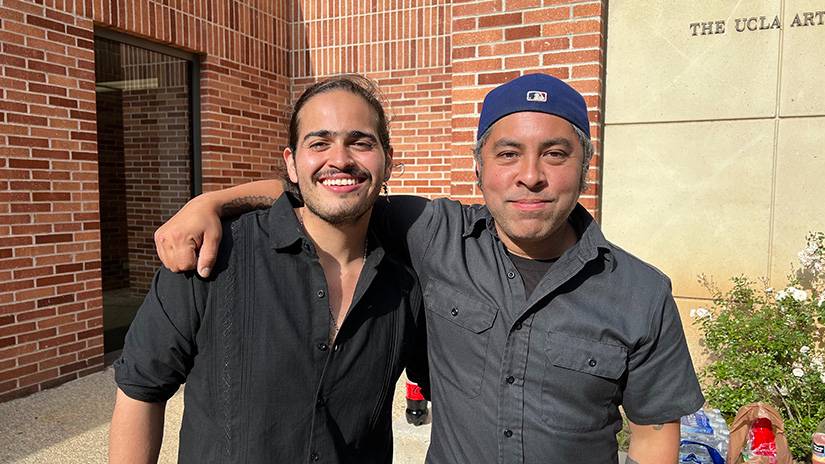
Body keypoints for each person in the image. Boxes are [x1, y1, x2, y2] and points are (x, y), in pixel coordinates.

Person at [154, 73, 705, 464]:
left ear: (585, 165)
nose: (530, 176)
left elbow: (654, 431)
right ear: (480, 167)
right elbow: (332, 190)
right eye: (508, 153)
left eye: (556, 154)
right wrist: (214, 201)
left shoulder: (641, 292)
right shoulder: (435, 234)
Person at [109, 75, 428, 463]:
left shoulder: (408, 282)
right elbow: (142, 388)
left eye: (360, 142)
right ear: (292, 163)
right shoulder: (213, 258)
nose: (340, 159)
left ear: (388, 161)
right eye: (319, 143)